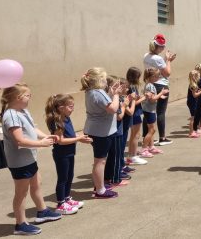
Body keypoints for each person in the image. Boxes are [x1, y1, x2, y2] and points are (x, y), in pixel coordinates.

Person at [1, 84, 62, 235]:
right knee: (21, 193)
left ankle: (42, 211)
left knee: (36, 183)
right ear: (18, 97)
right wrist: (41, 143)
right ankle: (20, 224)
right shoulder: (11, 115)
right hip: (19, 161)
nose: (30, 98)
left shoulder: (22, 111)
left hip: (29, 158)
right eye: (28, 95)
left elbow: (32, 128)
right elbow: (20, 141)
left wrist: (45, 136)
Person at [45, 94, 91, 215]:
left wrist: (79, 137)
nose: (73, 108)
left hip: (69, 152)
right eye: (70, 106)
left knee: (70, 176)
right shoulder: (57, 121)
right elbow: (60, 141)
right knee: (63, 178)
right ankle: (61, 204)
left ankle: (66, 198)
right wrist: (78, 139)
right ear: (61, 107)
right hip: (61, 154)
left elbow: (69, 135)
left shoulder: (66, 117)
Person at [82, 67, 122, 199]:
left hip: (98, 130)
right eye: (104, 79)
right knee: (100, 161)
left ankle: (99, 185)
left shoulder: (91, 92)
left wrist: (111, 93)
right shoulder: (98, 92)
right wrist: (116, 95)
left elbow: (104, 105)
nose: (106, 81)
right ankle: (100, 190)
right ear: (99, 80)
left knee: (100, 160)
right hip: (101, 132)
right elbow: (113, 108)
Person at [143, 33, 176, 146]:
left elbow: (157, 65)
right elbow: (167, 73)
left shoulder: (146, 55)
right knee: (160, 112)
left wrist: (165, 60)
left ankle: (146, 137)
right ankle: (162, 137)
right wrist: (168, 60)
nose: (163, 48)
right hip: (161, 85)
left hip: (150, 84)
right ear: (158, 47)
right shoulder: (158, 59)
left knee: (148, 111)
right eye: (162, 46)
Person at [141, 68, 169, 157]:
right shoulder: (150, 86)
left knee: (151, 130)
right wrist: (161, 93)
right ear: (152, 77)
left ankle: (151, 147)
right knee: (152, 130)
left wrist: (160, 96)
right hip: (149, 111)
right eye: (157, 76)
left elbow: (152, 97)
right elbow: (152, 100)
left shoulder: (149, 85)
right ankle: (144, 149)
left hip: (149, 110)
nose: (158, 78)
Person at [125, 67, 148, 165]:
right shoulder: (131, 87)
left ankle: (132, 155)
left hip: (136, 112)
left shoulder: (130, 85)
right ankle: (132, 156)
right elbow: (132, 102)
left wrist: (139, 97)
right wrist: (144, 98)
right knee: (136, 135)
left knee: (133, 135)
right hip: (135, 112)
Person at [187, 67, 201, 138]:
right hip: (192, 102)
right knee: (193, 117)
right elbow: (195, 95)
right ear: (195, 77)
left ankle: (194, 131)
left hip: (193, 102)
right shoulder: (193, 85)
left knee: (195, 116)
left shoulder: (194, 84)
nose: (200, 77)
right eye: (199, 76)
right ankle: (191, 132)